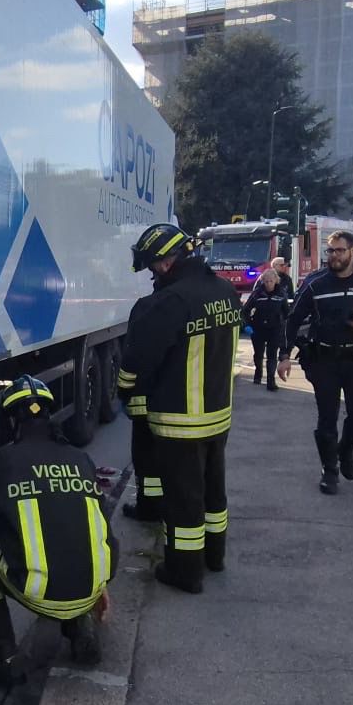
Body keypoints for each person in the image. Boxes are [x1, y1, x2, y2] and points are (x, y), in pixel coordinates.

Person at [0, 375, 118, 686]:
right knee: (71, 537)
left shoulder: (2, 462)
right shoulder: (80, 458)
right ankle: (81, 627)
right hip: (96, 581)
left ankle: (2, 658)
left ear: (12, 422)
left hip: (43, 591)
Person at [119, 223, 243, 593]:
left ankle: (185, 572)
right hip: (218, 415)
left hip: (180, 420)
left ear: (166, 260)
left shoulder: (170, 302)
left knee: (183, 500)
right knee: (213, 493)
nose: (154, 272)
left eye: (154, 264)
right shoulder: (225, 291)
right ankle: (214, 557)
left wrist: (125, 389)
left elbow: (138, 360)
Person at [280, 231, 353, 495]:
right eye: (330, 251)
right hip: (324, 360)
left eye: (340, 250)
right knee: (326, 419)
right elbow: (293, 319)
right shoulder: (315, 283)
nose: (334, 256)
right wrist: (284, 356)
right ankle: (329, 471)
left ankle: (345, 451)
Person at [122, 288, 165, 521]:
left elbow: (130, 358)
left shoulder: (143, 308)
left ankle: (148, 508)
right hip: (169, 404)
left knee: (145, 460)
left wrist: (123, 392)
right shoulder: (181, 308)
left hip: (141, 404)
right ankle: (159, 505)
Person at [243, 257, 292, 389]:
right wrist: (247, 325)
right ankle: (258, 373)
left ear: (276, 280)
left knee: (272, 355)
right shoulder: (257, 293)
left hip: (274, 328)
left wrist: (284, 326)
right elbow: (245, 311)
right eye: (266, 281)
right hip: (258, 327)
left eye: (271, 281)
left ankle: (271, 380)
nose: (269, 284)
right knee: (258, 354)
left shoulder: (281, 294)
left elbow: (287, 313)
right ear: (263, 281)